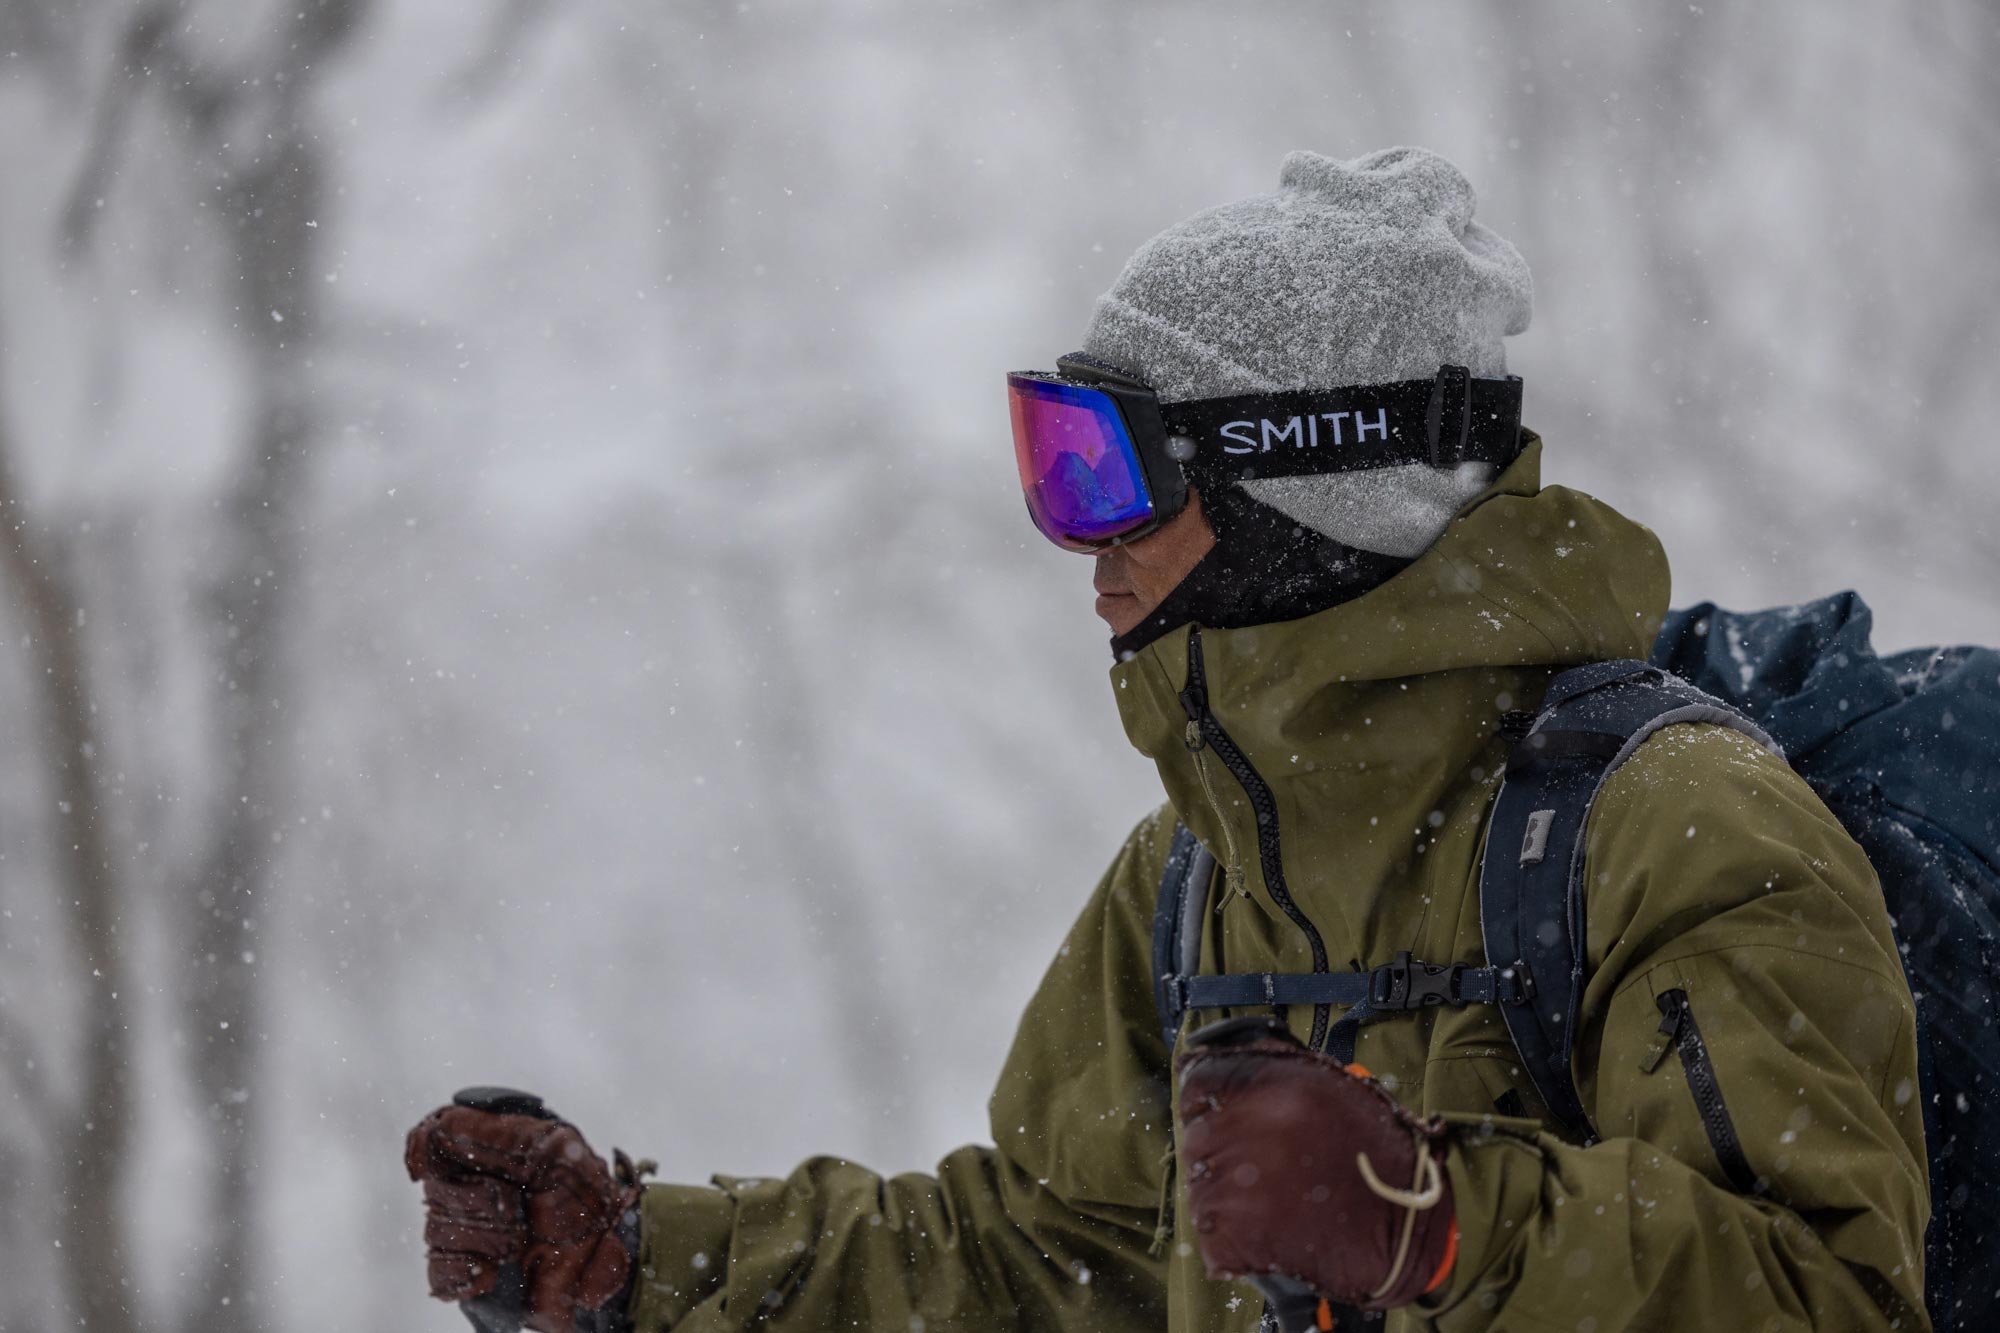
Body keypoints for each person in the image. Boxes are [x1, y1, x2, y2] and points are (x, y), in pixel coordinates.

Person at [404, 148, 1931, 1332]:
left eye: (1105, 467)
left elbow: (1831, 1297)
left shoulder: (1675, 828)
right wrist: (640, 1264)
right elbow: (1041, 1260)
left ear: (1301, 479)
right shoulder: (1197, 881)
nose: (1082, 541)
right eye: (1052, 462)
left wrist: (1442, 1229)